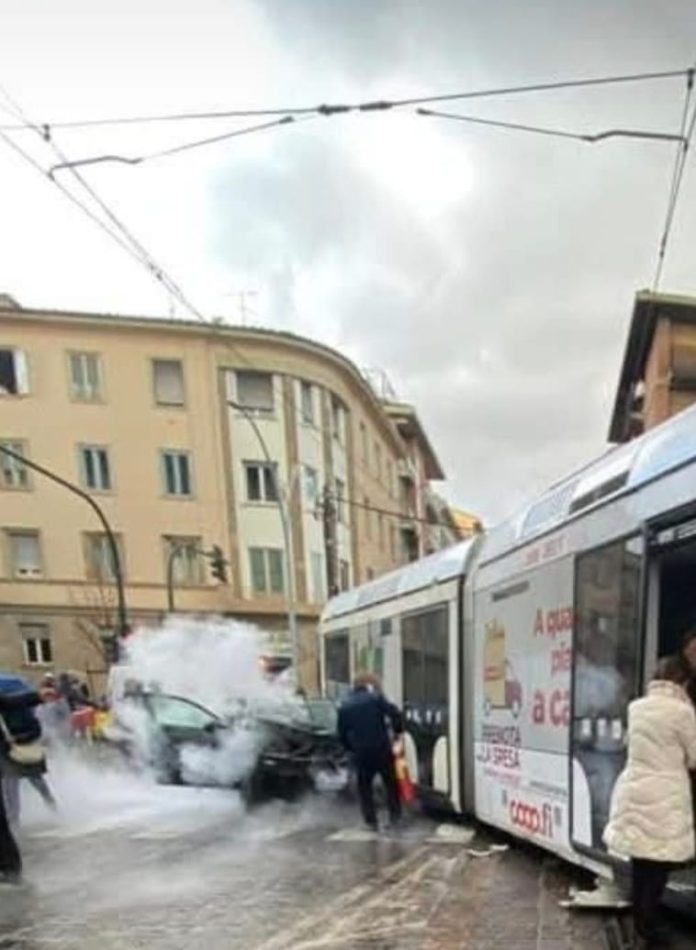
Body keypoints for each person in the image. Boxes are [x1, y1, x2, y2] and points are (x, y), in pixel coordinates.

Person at [603, 656, 696, 947]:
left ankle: (641, 920)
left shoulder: (636, 707)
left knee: (642, 860)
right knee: (659, 864)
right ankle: (648, 926)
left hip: (634, 788)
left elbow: (629, 743)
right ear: (682, 681)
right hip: (665, 795)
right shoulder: (683, 712)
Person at [337, 672, 404, 832]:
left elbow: (341, 734)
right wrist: (397, 731)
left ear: (353, 687)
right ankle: (395, 817)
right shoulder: (375, 698)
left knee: (365, 788)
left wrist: (351, 749)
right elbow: (394, 713)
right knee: (391, 784)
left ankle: (371, 821)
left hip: (362, 753)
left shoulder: (344, 706)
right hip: (382, 748)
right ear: (367, 686)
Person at [0, 674, 56, 826]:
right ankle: (51, 808)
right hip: (19, 749)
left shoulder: (15, 714)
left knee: (13, 784)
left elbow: (9, 702)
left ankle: (14, 821)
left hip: (14, 751)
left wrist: (37, 696)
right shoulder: (24, 714)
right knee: (29, 781)